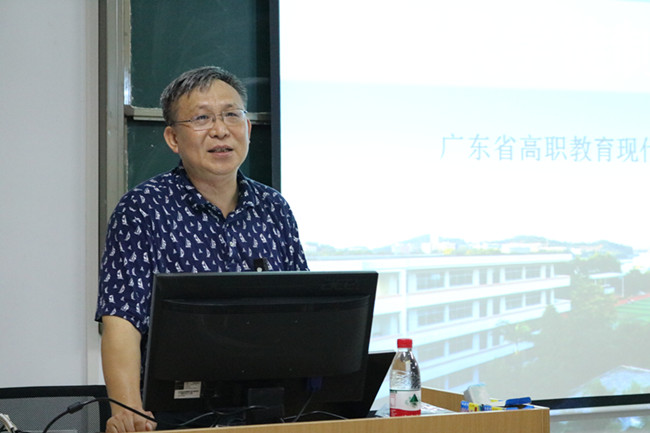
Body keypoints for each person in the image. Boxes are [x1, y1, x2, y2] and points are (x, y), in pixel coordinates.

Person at [95, 66, 308, 432]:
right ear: (173, 138)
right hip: (175, 414)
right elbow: (121, 318)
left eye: (231, 115)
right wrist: (128, 409)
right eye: (202, 118)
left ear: (248, 128)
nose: (220, 130)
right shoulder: (143, 208)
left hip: (268, 411)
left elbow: (303, 312)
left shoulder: (274, 208)